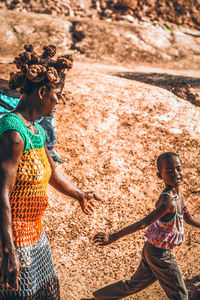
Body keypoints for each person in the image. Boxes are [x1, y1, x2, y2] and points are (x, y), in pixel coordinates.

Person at [0, 44, 101, 299]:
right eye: (58, 94)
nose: (59, 101)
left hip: (36, 234)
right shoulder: (13, 133)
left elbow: (53, 175)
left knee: (46, 291)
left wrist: (79, 193)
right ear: (43, 91)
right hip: (15, 237)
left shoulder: (37, 130)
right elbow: (1, 193)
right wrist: (8, 250)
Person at [83, 152, 200, 300]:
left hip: (151, 250)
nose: (175, 174)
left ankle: (97, 298)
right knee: (180, 295)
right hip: (160, 255)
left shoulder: (178, 196)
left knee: (133, 285)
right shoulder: (167, 202)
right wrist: (112, 237)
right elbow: (142, 223)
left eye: (178, 168)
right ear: (160, 175)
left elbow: (189, 218)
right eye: (169, 171)